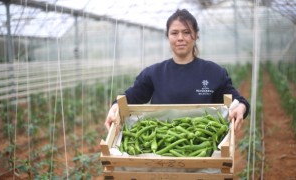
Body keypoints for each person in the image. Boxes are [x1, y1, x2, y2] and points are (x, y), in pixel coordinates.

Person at [104, 9, 249, 132]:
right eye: (174, 33)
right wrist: (115, 107)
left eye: (186, 32)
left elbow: (239, 101)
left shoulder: (214, 72)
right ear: (168, 36)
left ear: (196, 35)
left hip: (204, 148)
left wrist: (241, 108)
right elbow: (131, 97)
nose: (180, 38)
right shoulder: (154, 74)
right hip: (162, 148)